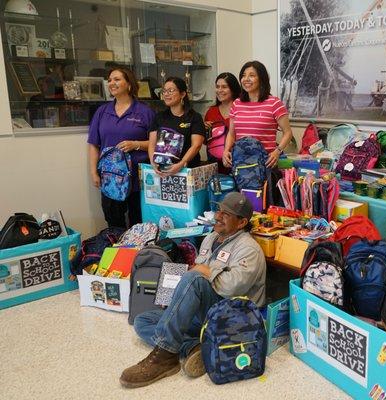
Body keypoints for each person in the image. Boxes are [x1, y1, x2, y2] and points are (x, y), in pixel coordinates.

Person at [120, 192, 266, 388]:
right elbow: (197, 272)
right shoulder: (211, 238)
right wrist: (177, 295)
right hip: (206, 314)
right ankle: (193, 347)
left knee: (194, 278)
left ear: (241, 223)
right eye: (218, 210)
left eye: (226, 214)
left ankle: (164, 355)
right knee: (142, 320)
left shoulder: (249, 248)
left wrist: (204, 270)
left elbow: (231, 287)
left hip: (230, 317)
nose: (218, 216)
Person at [88, 67, 155, 228]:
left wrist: (136, 144)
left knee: (138, 223)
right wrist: (93, 172)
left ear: (129, 84)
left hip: (138, 180)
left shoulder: (145, 112)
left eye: (117, 79)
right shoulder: (102, 112)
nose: (112, 83)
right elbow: (93, 144)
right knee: (114, 222)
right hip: (111, 178)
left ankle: (139, 254)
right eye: (110, 80)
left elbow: (156, 144)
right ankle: (117, 252)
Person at [222, 60, 293, 169]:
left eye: (252, 75)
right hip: (241, 165)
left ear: (261, 79)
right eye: (243, 75)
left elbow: (287, 133)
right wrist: (226, 150)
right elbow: (232, 134)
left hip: (265, 164)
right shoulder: (237, 103)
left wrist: (277, 152)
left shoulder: (274, 103)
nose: (246, 79)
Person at [148, 77, 206, 176]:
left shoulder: (194, 117)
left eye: (170, 91)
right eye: (164, 91)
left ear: (182, 94)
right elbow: (152, 144)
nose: (166, 94)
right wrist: (153, 163)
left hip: (187, 170)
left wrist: (181, 164)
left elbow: (196, 145)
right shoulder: (159, 117)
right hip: (162, 170)